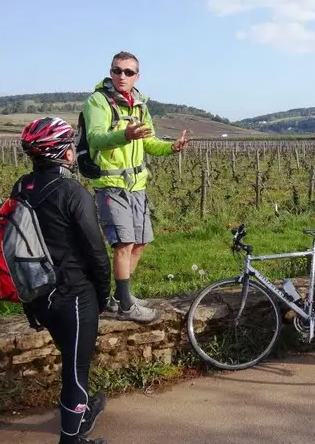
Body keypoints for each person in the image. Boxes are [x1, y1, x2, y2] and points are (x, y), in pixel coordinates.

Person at [17, 117, 111, 444]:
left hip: (38, 293)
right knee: (75, 371)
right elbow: (97, 251)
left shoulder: (22, 186)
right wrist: (103, 294)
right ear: (65, 153)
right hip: (73, 294)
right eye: (71, 142)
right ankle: (71, 440)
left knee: (71, 357)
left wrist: (29, 301)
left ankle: (82, 413)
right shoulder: (73, 192)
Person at [81, 51, 189, 323]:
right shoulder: (97, 102)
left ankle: (119, 299)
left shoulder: (140, 105)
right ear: (110, 71)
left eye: (129, 72)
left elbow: (149, 143)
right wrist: (124, 134)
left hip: (137, 184)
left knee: (140, 242)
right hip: (111, 183)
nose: (122, 76)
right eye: (117, 70)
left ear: (137, 76)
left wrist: (171, 148)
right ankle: (127, 307)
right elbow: (95, 139)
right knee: (124, 242)